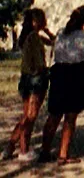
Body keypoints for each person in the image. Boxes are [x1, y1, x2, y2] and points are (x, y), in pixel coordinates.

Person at [39, 5, 84, 165]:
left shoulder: (60, 33)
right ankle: (63, 154)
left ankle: (45, 151)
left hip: (59, 73)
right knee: (70, 116)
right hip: (77, 73)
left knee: (54, 114)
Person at [4, 9, 54, 161]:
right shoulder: (33, 38)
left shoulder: (33, 37)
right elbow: (38, 64)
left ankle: (11, 147)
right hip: (35, 78)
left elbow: (54, 41)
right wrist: (48, 71)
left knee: (27, 116)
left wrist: (46, 30)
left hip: (27, 78)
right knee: (30, 117)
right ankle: (23, 150)